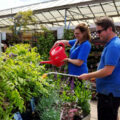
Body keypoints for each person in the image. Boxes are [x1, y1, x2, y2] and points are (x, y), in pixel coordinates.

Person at [78, 17, 120, 120]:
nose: (97, 34)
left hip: (109, 95)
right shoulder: (111, 43)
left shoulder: (113, 46)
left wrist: (89, 75)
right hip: (109, 93)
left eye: (99, 31)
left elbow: (108, 70)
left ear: (109, 29)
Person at [54, 23, 91, 89]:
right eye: (75, 33)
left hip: (80, 75)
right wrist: (58, 42)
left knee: (77, 95)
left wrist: (68, 59)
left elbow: (79, 62)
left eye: (78, 33)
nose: (75, 35)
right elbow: (67, 42)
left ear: (84, 33)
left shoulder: (85, 45)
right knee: (71, 94)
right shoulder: (77, 41)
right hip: (72, 73)